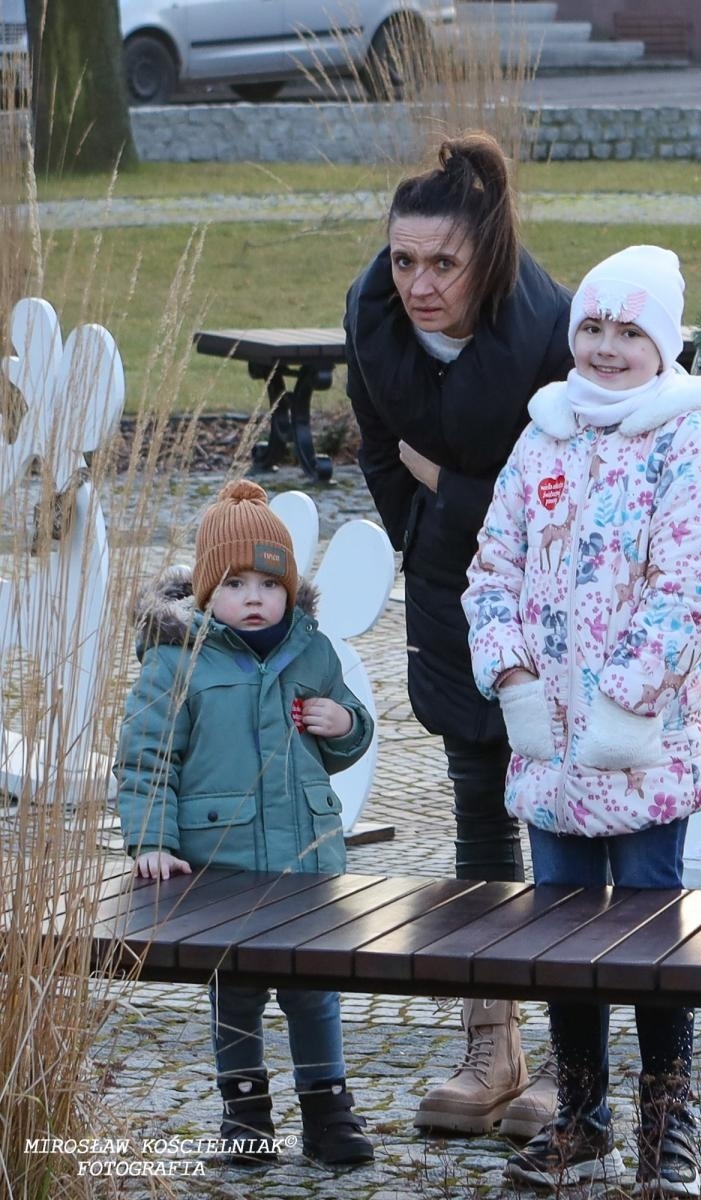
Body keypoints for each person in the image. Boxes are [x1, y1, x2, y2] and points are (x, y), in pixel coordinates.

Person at [462, 245, 701, 1196]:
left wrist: (627, 697)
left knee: (654, 933)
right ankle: (581, 1116)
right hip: (550, 750)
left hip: (644, 746)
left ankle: (669, 1122)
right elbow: (491, 567)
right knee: (562, 934)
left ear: (663, 346)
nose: (607, 347)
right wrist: (512, 673)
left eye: (629, 331)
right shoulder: (545, 436)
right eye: (592, 327)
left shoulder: (685, 440)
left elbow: (691, 582)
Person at [343, 131, 572, 1138]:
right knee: (478, 812)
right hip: (448, 587)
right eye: (404, 260)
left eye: (443, 263)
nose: (419, 285)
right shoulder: (374, 323)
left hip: (556, 598)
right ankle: (493, 1044)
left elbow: (565, 493)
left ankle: (574, 1058)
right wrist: (433, 524)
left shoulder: (554, 332)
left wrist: (452, 486)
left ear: (488, 255)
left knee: (569, 821)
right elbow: (378, 453)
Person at [115, 480, 376, 1170]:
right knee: (235, 990)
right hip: (221, 864)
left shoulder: (313, 653)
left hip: (306, 860)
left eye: (268, 583)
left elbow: (345, 740)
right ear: (207, 592)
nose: (254, 597)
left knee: (314, 986)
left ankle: (328, 1108)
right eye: (234, 584)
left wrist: (344, 723)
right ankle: (245, 1112)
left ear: (289, 590)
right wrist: (152, 840)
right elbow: (148, 757)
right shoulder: (176, 660)